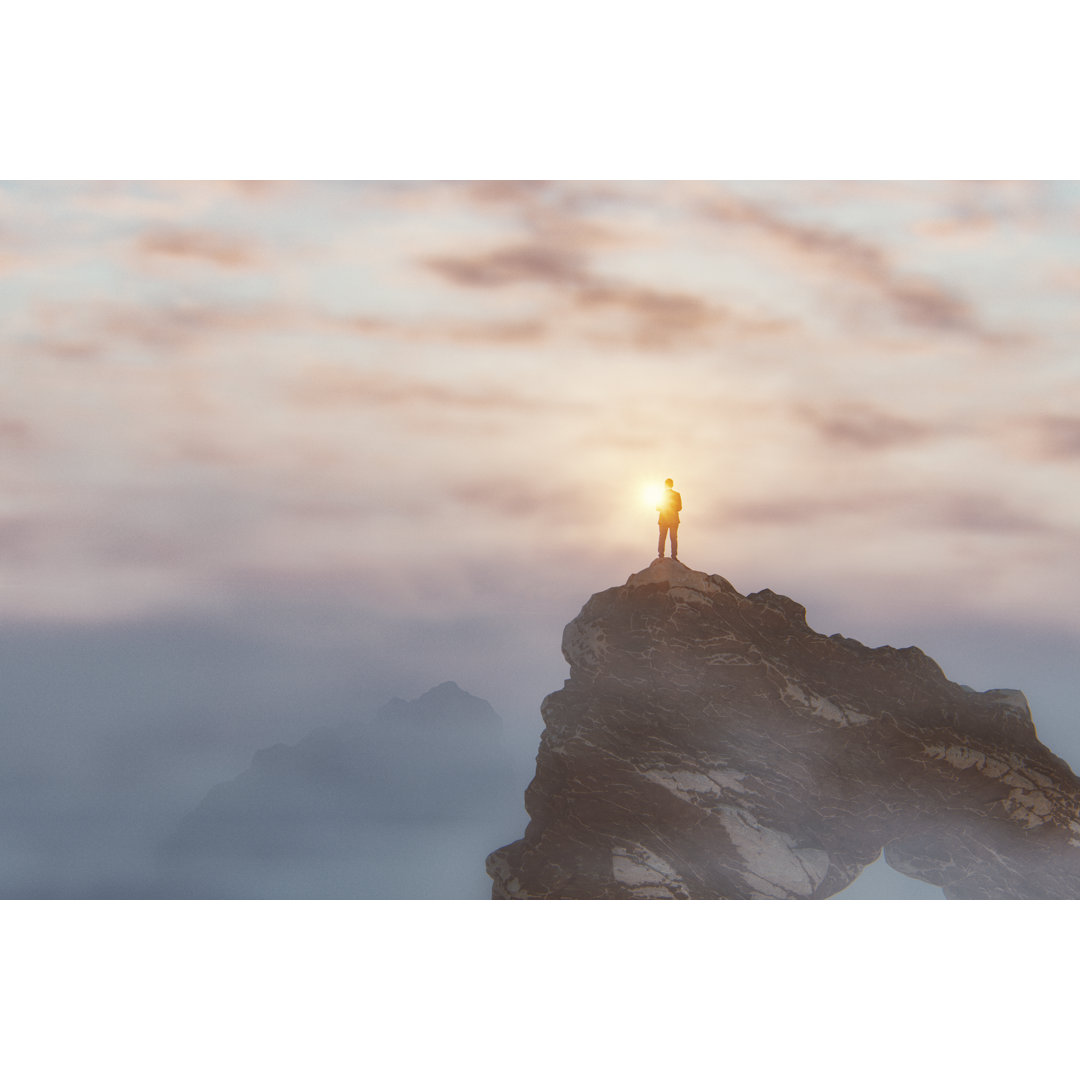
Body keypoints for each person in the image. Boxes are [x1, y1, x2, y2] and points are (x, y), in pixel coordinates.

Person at [657, 478, 681, 559]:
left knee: (662, 537)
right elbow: (680, 507)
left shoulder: (661, 495)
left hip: (664, 518)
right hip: (673, 518)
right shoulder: (677, 494)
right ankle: (674, 556)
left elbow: (657, 507)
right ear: (672, 485)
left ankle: (661, 555)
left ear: (665, 485)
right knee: (673, 537)